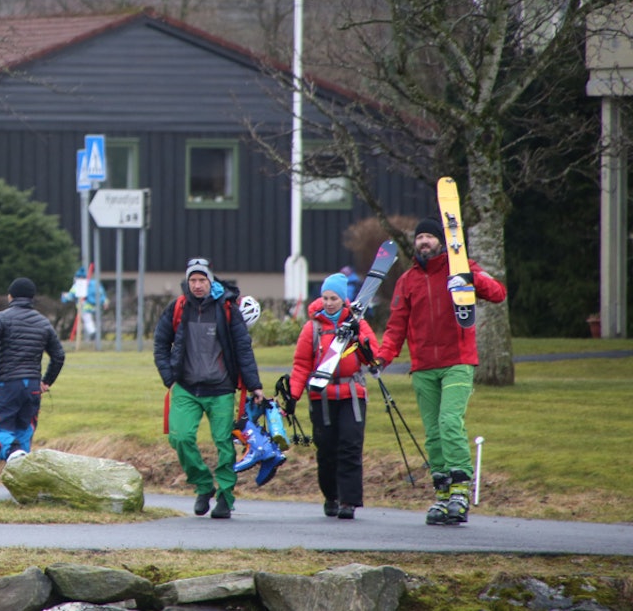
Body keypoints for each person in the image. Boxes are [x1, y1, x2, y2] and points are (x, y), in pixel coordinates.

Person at [375, 216, 507, 526]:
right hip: (423, 367)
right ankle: (443, 494)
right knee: (434, 435)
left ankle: (461, 490)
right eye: (419, 238)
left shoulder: (462, 268)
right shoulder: (407, 280)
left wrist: (470, 281)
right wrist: (383, 357)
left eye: (429, 238)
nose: (423, 242)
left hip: (457, 362)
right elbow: (396, 327)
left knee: (449, 422)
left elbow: (497, 292)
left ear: (441, 241)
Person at [153, 257, 265, 520]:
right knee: (179, 438)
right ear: (187, 282)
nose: (197, 285)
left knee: (224, 444)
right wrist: (169, 377)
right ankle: (204, 485)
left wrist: (255, 385)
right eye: (193, 280)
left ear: (210, 280)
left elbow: (243, 348)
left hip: (221, 389)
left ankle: (225, 496)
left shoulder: (227, 308)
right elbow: (160, 343)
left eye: (202, 279)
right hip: (185, 388)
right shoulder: (178, 307)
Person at [287, 273, 379, 520]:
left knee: (349, 446)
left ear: (344, 299)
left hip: (352, 393)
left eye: (334, 298)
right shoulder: (312, 328)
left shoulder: (357, 322)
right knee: (326, 449)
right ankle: (331, 495)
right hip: (322, 397)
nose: (328, 303)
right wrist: (293, 396)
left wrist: (360, 336)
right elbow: (301, 365)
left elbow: (373, 355)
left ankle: (349, 501)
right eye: (325, 297)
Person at [0, 277, 66, 461]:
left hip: (9, 383)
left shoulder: (2, 318)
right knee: (25, 429)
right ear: (32, 298)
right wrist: (47, 381)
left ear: (10, 296)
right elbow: (59, 356)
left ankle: (13, 452)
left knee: (0, 428)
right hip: (33, 386)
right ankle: (22, 470)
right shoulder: (43, 322)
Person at [60, 267, 108, 340]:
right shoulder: (94, 283)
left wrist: (64, 297)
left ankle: (93, 333)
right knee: (95, 320)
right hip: (97, 306)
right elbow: (102, 294)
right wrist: (105, 302)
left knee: (87, 320)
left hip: (85, 306)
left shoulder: (77, 285)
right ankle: (96, 334)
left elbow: (70, 296)